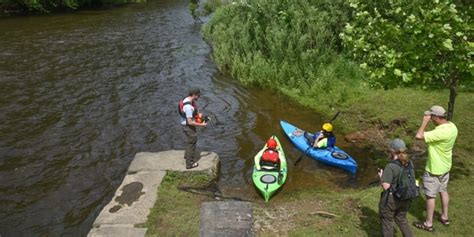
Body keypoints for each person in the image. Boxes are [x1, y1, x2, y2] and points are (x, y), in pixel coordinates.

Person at [413, 105, 458, 231]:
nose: (430, 118)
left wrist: (424, 122)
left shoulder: (439, 132)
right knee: (443, 190)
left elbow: (418, 136)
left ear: (437, 117)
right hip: (446, 166)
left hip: (434, 169)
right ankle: (445, 216)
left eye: (431, 117)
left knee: (430, 196)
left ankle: (428, 223)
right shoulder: (452, 126)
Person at [378, 138, 414, 237]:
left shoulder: (390, 166)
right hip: (406, 198)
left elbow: (386, 186)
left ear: (392, 151)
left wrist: (382, 177)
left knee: (387, 222)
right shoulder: (409, 163)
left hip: (392, 199)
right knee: (401, 219)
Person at [179, 88, 207, 169]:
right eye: (198, 95)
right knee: (192, 142)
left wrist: (199, 116)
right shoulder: (188, 107)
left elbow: (195, 110)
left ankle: (186, 156)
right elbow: (190, 122)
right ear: (194, 94)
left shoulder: (187, 99)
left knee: (190, 141)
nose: (199, 97)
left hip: (185, 124)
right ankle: (189, 164)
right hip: (188, 126)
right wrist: (201, 124)